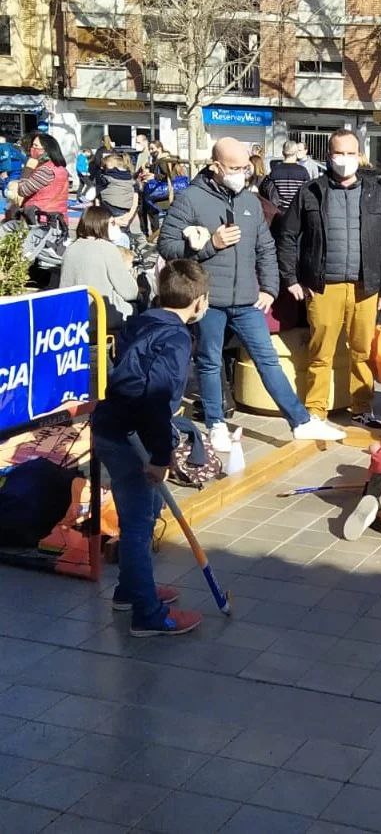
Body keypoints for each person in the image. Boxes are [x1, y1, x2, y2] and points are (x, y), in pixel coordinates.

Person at [159, 136, 344, 451]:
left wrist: (270, 288)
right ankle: (216, 423)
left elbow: (265, 247)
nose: (241, 173)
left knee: (267, 360)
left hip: (247, 299)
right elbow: (166, 245)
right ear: (216, 166)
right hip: (208, 299)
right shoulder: (191, 199)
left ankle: (300, 422)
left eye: (245, 167)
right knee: (209, 361)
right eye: (234, 167)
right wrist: (210, 245)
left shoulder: (248, 201)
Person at [92, 259, 210, 636]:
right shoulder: (174, 338)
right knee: (139, 523)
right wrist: (161, 458)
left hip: (112, 426)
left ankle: (130, 589)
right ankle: (148, 613)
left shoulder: (141, 320)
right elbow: (156, 400)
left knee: (145, 510)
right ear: (199, 302)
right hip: (131, 436)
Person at [278, 128, 381, 430]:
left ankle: (362, 408)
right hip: (322, 286)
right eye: (338, 153)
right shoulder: (311, 191)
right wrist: (291, 277)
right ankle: (315, 411)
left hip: (365, 287)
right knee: (320, 353)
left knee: (362, 352)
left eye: (350, 153)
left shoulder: (375, 192)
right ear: (328, 156)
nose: (344, 160)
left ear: (360, 156)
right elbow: (288, 236)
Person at [60, 206, 139, 329]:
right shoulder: (107, 249)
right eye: (112, 223)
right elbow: (130, 293)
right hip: (100, 316)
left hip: (72, 317)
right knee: (139, 307)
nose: (116, 226)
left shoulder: (71, 248)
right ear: (101, 224)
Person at [13, 133, 69, 217]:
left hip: (41, 218)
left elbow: (23, 191)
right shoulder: (58, 167)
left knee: (5, 227)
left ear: (46, 149)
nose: (32, 148)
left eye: (36, 145)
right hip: (54, 216)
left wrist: (27, 170)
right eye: (32, 145)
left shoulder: (46, 170)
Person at [97, 153, 140, 246]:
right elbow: (136, 201)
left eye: (104, 166)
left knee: (108, 235)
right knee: (123, 233)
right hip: (126, 210)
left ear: (111, 166)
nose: (102, 168)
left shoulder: (105, 177)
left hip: (109, 208)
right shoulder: (132, 180)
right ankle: (127, 251)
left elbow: (97, 197)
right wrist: (129, 216)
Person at [260, 140, 310, 212]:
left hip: (279, 211)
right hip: (297, 211)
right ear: (296, 153)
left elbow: (265, 190)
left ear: (283, 153)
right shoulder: (303, 171)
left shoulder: (275, 171)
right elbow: (307, 193)